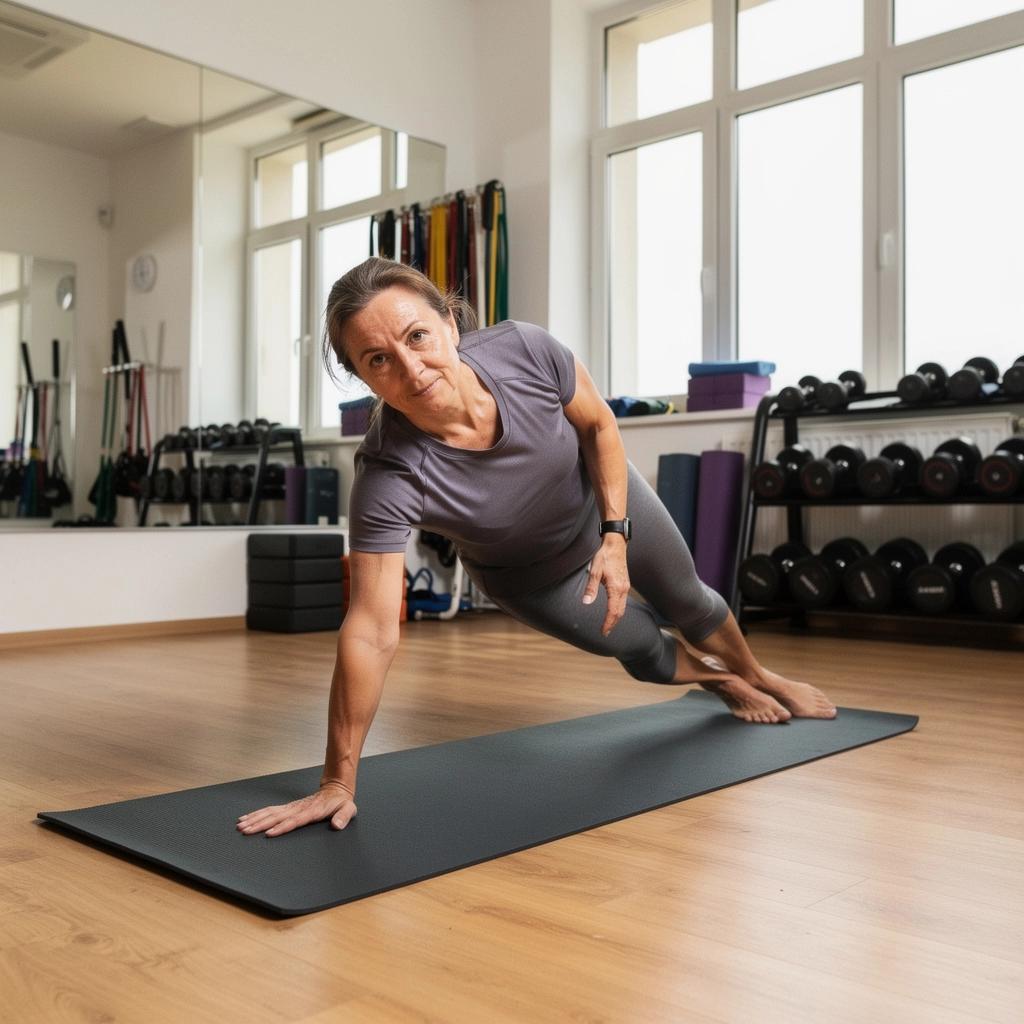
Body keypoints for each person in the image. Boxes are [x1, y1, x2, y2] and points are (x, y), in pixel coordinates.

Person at [237, 257, 837, 839]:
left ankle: (760, 675)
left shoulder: (523, 348)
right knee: (643, 653)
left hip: (598, 504)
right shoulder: (388, 474)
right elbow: (370, 628)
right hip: (528, 575)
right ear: (363, 379)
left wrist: (614, 536)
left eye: (418, 336)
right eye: (379, 360)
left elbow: (599, 425)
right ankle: (718, 680)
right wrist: (337, 781)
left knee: (691, 602)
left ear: (449, 322)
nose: (412, 369)